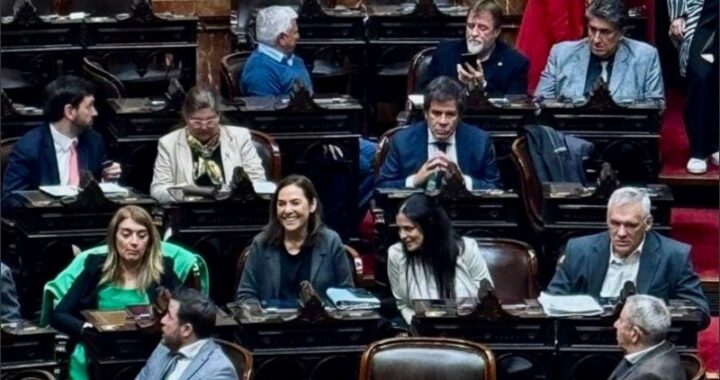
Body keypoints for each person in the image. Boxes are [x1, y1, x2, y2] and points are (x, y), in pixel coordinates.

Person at [547, 187, 710, 329]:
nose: (621, 233)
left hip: (646, 350)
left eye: (631, 225)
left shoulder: (674, 256)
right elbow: (552, 300)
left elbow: (700, 312)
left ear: (648, 223)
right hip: (588, 341)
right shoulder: (578, 250)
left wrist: (654, 317)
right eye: (615, 223)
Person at [50, 206, 181, 380]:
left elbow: (188, 308)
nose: (134, 242)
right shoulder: (96, 268)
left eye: (142, 235)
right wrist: (85, 329)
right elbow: (59, 314)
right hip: (97, 354)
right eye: (126, 234)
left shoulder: (163, 270)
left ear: (150, 241)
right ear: (114, 237)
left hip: (147, 356)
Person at [1, 75, 121, 212]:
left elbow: (99, 189)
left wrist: (108, 178)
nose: (95, 112)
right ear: (70, 111)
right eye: (89, 106)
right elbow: (9, 200)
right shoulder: (29, 147)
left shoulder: (94, 141)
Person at [236, 175, 354, 304]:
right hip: (273, 322)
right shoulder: (261, 243)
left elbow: (346, 294)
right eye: (281, 204)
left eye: (295, 203)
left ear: (312, 205)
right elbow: (245, 295)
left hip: (320, 322)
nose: (287, 210)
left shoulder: (331, 241)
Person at [376, 76, 501, 190]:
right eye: (436, 113)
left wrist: (464, 181)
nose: (443, 121)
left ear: (460, 116)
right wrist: (414, 180)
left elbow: (495, 188)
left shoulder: (480, 141)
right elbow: (381, 188)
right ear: (425, 113)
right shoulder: (401, 141)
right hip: (416, 211)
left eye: (450, 114)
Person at [387, 194, 493, 324]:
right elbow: (402, 304)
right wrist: (419, 329)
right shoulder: (396, 254)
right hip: (421, 332)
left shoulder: (467, 249)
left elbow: (487, 296)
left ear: (429, 226)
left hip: (468, 328)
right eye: (399, 229)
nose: (402, 235)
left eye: (409, 229)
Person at [534, 0, 665, 105]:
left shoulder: (645, 56)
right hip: (569, 134)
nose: (596, 39)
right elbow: (540, 103)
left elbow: (656, 108)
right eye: (592, 29)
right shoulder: (561, 53)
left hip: (622, 134)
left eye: (605, 32)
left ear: (622, 33)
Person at [150, 85, 266, 203]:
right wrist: (186, 193)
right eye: (197, 122)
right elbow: (158, 190)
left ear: (218, 115)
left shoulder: (240, 137)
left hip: (233, 207)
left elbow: (258, 180)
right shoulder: (168, 143)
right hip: (190, 209)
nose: (204, 127)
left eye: (210, 121)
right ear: (186, 117)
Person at [420, 0, 529, 95]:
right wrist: (456, 86)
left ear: (496, 32)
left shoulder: (515, 63)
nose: (474, 33)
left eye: (482, 28)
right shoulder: (444, 52)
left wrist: (483, 85)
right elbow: (423, 93)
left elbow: (513, 108)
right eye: (471, 26)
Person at [136, 287, 237, 380]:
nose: (162, 320)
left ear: (186, 330)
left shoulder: (219, 371)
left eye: (169, 316)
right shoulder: (164, 346)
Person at [667, 0, 719, 174]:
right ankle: (698, 149)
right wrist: (678, 14)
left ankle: (714, 145)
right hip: (701, 11)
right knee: (700, 74)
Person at [608, 294, 684, 380]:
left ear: (634, 334)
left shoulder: (649, 376)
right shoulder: (664, 348)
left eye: (621, 320)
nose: (615, 324)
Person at [240, 6, 311, 97]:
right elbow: (265, 109)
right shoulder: (260, 73)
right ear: (281, 38)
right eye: (295, 32)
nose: (298, 37)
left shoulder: (294, 59)